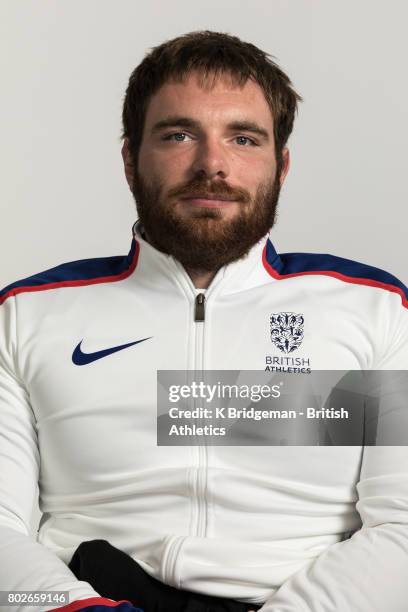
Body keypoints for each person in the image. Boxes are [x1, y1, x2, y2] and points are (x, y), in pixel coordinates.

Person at [1, 30, 408, 612]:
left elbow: (403, 528)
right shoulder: (25, 313)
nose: (212, 164)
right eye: (178, 134)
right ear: (129, 159)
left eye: (243, 138)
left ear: (282, 165)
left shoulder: (377, 309)